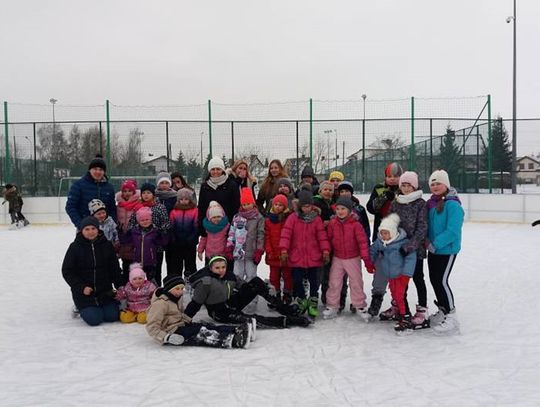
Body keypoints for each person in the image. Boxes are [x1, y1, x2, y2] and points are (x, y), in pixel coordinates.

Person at [184, 256, 310, 329]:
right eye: (217, 268)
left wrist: (260, 289)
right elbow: (195, 303)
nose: (221, 270)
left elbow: (244, 286)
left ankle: (284, 308)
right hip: (219, 312)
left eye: (223, 267)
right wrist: (185, 319)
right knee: (251, 319)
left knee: (255, 282)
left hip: (232, 302)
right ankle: (288, 321)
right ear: (210, 268)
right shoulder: (206, 282)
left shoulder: (229, 275)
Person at [146, 274, 252, 348]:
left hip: (180, 325)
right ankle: (234, 340)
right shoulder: (160, 304)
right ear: (168, 289)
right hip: (172, 332)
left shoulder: (176, 299)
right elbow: (152, 327)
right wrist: (166, 337)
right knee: (201, 334)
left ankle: (236, 330)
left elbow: (177, 315)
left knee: (205, 326)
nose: (180, 292)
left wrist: (186, 319)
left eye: (181, 289)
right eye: (177, 289)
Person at [386, 171, 429, 329]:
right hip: (398, 249)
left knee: (418, 278)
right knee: (399, 280)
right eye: (403, 185)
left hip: (414, 250)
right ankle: (401, 308)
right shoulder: (396, 202)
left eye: (408, 185)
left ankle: (422, 310)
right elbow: (390, 224)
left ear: (414, 186)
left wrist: (410, 247)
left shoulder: (420, 204)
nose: (405, 188)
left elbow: (422, 228)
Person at [62, 216, 122, 326]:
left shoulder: (107, 245)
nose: (90, 232)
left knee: (112, 316)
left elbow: (114, 268)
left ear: (98, 229)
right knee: (95, 319)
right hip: (85, 293)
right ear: (82, 231)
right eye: (87, 229)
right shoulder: (75, 247)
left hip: (104, 292)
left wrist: (120, 287)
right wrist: (81, 287)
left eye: (93, 229)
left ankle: (103, 307)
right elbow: (67, 271)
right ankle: (78, 307)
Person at [279, 190, 331, 318]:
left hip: (314, 256)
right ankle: (302, 299)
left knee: (314, 281)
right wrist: (284, 250)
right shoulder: (293, 218)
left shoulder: (317, 219)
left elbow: (322, 237)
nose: (306, 209)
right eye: (304, 206)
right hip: (297, 256)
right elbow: (286, 235)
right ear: (300, 206)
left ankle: (313, 301)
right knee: (297, 280)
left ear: (312, 206)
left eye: (308, 206)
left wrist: (325, 251)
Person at [323, 197, 375, 320]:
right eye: (338, 209)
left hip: (353, 258)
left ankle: (359, 305)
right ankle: (332, 305)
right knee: (334, 282)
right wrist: (326, 252)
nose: (340, 211)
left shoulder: (355, 225)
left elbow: (362, 242)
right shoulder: (333, 223)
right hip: (338, 257)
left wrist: (366, 259)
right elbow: (328, 239)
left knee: (356, 282)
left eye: (343, 209)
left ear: (349, 210)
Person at [425, 170, 464, 335]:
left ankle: (451, 316)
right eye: (432, 184)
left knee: (441, 281)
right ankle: (442, 309)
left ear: (446, 185)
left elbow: (453, 230)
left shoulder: (453, 205)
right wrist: (427, 241)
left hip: (446, 250)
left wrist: (436, 243)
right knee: (434, 280)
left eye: (438, 183)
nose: (435, 186)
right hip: (433, 250)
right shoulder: (431, 204)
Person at [366, 162, 403, 318]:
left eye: (396, 176)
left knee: (397, 273)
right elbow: (371, 208)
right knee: (380, 271)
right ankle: (377, 298)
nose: (392, 179)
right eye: (389, 176)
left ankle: (398, 303)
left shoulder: (406, 188)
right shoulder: (379, 188)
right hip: (381, 238)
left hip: (399, 239)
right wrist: (382, 197)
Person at [369, 213, 416, 333]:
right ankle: (400, 313)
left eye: (386, 233)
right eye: (382, 233)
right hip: (390, 274)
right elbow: (373, 250)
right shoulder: (381, 242)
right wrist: (371, 262)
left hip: (401, 275)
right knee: (395, 295)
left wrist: (407, 274)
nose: (384, 236)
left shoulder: (402, 243)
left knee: (399, 296)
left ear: (393, 232)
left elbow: (411, 258)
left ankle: (405, 317)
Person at [226, 188, 265, 313]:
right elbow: (232, 232)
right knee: (237, 276)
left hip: (251, 253)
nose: (246, 206)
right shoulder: (237, 217)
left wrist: (259, 250)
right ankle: (237, 298)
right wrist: (229, 246)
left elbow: (261, 234)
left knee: (251, 276)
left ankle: (252, 300)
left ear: (253, 203)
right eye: (243, 204)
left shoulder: (258, 218)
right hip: (238, 253)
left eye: (248, 203)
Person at [127, 183, 170, 286]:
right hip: (141, 245)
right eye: (144, 193)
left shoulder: (160, 207)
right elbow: (131, 224)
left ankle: (156, 290)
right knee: (139, 273)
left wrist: (158, 232)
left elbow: (166, 223)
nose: (146, 195)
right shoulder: (137, 207)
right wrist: (135, 233)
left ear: (153, 194)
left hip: (156, 246)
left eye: (148, 193)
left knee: (156, 272)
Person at [65, 154, 116, 230]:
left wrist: (111, 223)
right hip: (86, 229)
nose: (98, 172)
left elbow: (112, 208)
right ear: (90, 170)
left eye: (101, 169)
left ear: (104, 172)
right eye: (95, 169)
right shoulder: (78, 185)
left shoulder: (109, 187)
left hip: (105, 229)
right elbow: (70, 207)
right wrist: (81, 224)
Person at [122, 207, 168, 282]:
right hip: (137, 262)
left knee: (152, 280)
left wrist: (163, 233)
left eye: (147, 220)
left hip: (150, 262)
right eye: (142, 220)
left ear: (150, 220)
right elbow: (125, 241)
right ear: (138, 221)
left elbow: (163, 242)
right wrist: (122, 233)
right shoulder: (134, 232)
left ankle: (155, 291)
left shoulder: (154, 231)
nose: (145, 222)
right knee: (138, 280)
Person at [198, 157, 241, 236]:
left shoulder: (231, 185)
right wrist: (202, 227)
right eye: (213, 169)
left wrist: (231, 228)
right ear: (209, 170)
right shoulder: (204, 186)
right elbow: (201, 208)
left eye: (218, 169)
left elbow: (235, 207)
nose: (215, 171)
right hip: (209, 229)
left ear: (222, 170)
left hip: (227, 228)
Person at [264, 194, 293, 305]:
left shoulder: (288, 219)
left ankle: (287, 293)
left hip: (285, 254)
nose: (278, 207)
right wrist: (269, 251)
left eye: (281, 205)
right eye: (276, 204)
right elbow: (267, 237)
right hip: (273, 254)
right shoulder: (268, 220)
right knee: (273, 276)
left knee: (287, 276)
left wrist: (286, 251)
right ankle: (274, 294)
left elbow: (290, 236)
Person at [167, 188, 199, 279]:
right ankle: (177, 282)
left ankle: (191, 282)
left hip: (190, 243)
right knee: (177, 265)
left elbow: (196, 226)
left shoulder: (194, 211)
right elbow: (171, 226)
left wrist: (192, 238)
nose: (184, 201)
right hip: (177, 243)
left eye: (186, 199)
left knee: (190, 264)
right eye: (181, 199)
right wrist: (174, 238)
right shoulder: (174, 212)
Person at [197, 201, 230, 265]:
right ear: (209, 218)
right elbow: (203, 239)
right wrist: (200, 251)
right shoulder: (207, 227)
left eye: (219, 217)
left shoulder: (226, 226)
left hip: (222, 254)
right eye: (214, 217)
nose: (216, 219)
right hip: (210, 254)